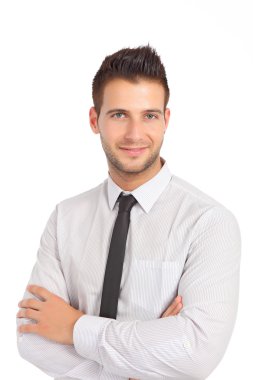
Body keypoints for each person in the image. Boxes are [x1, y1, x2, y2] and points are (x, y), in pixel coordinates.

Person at [16, 45, 241, 380]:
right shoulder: (65, 218)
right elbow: (31, 335)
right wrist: (145, 359)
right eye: (119, 114)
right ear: (95, 120)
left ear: (165, 121)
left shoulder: (209, 223)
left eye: (149, 115)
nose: (135, 134)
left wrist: (75, 327)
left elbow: (197, 352)